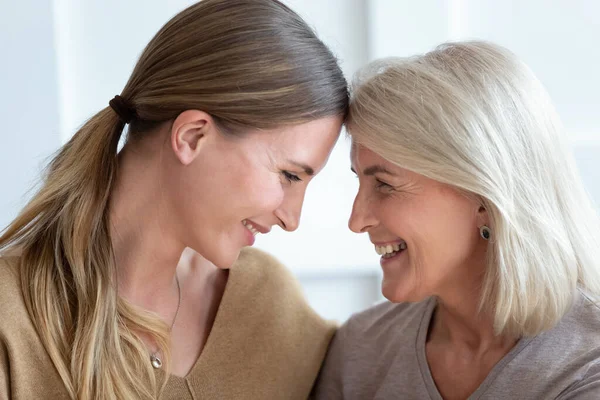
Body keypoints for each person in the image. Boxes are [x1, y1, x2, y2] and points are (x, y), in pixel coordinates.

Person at [0, 1, 348, 399]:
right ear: (192, 137)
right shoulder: (11, 318)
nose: (292, 218)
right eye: (288, 175)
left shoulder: (269, 304)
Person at [314, 41, 600, 399]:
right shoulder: (361, 349)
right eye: (360, 180)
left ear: (483, 198)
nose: (357, 220)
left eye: (384, 185)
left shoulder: (587, 366)